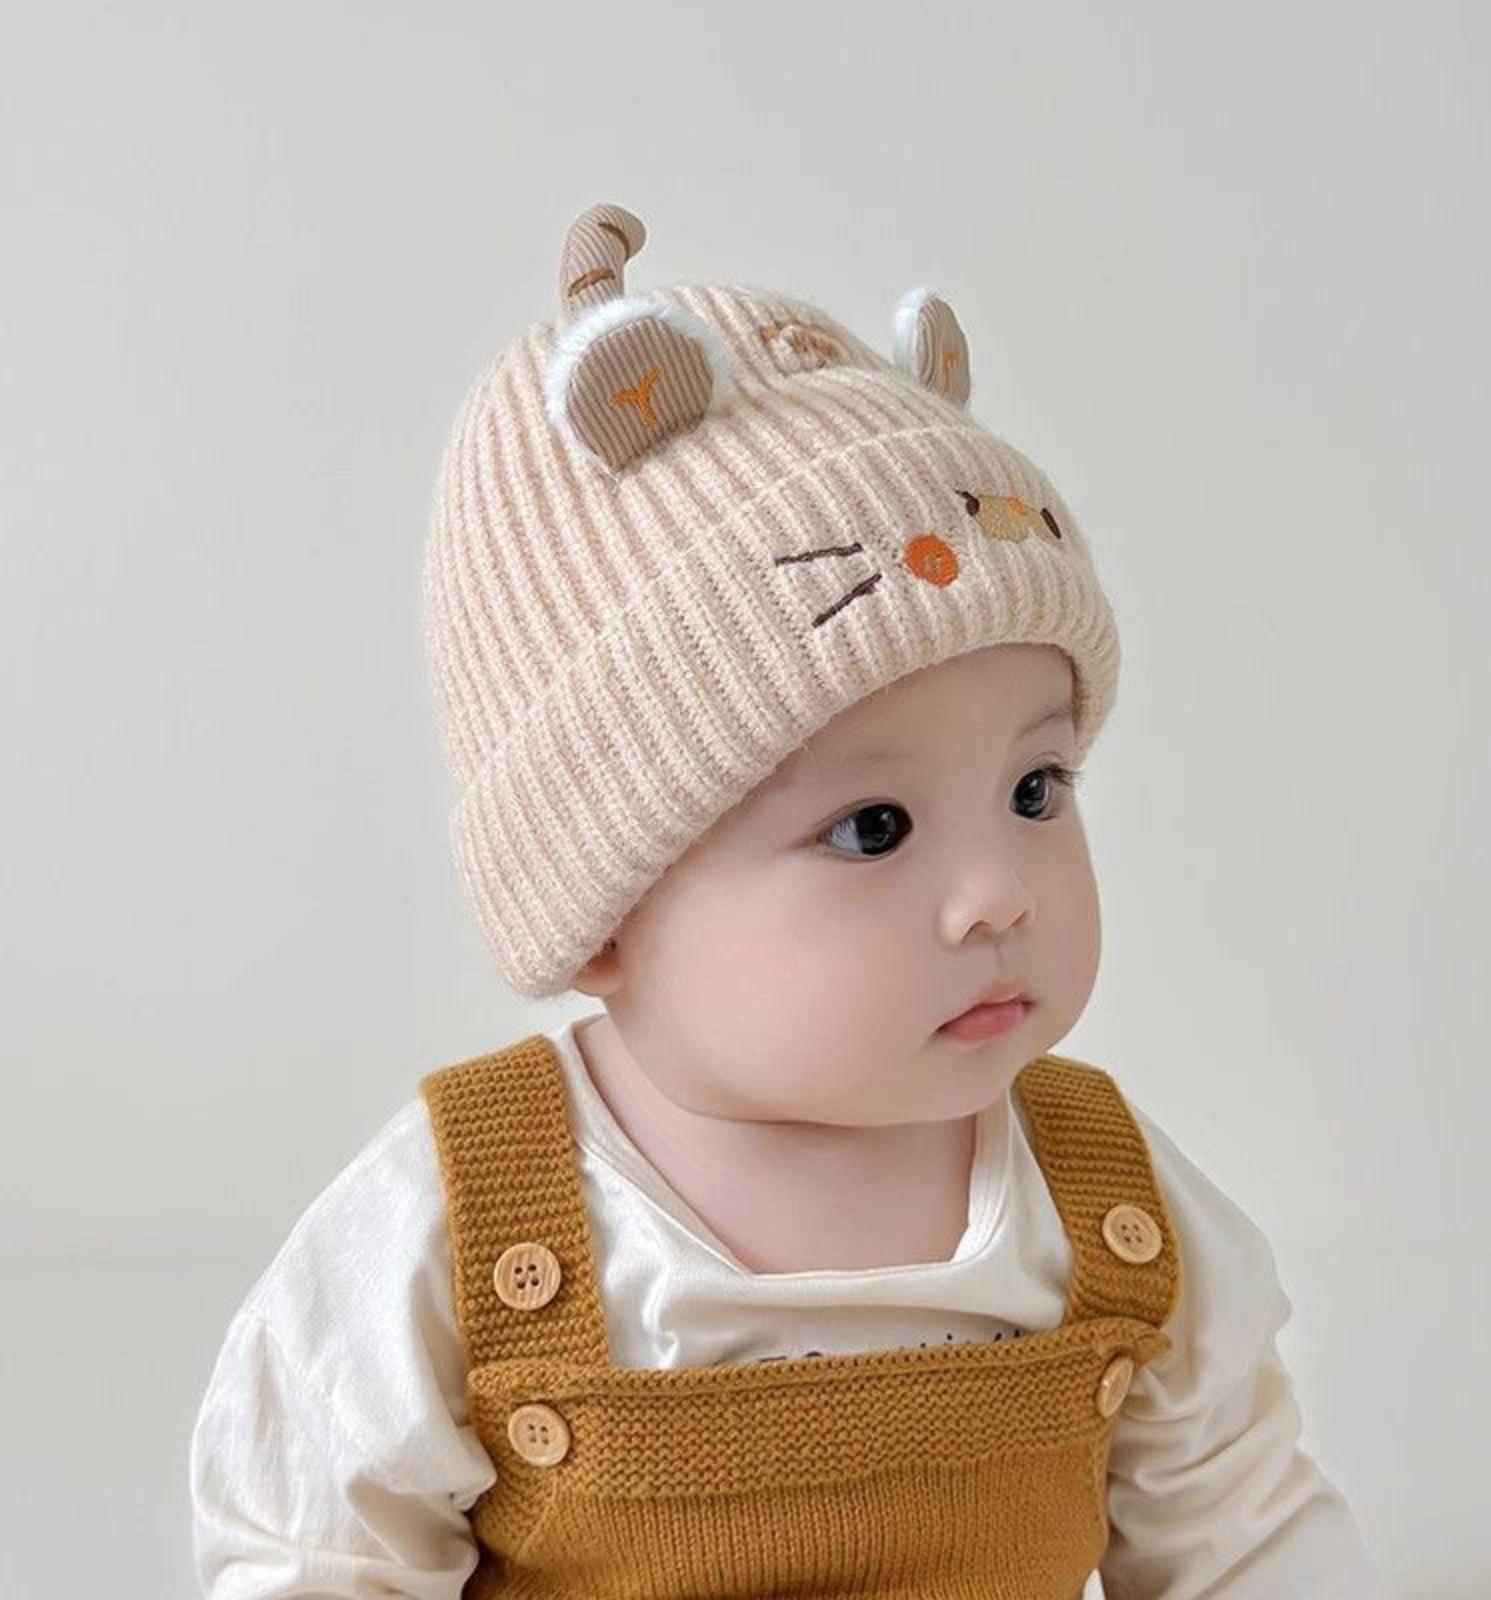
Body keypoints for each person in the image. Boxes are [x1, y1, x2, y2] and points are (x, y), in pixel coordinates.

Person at [189, 201, 1383, 1597]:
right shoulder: (462, 1225)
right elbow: (318, 1554)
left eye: (1036, 790)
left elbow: (1241, 1532)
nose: (998, 893)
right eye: (874, 829)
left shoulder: (1101, 1200)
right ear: (605, 913)